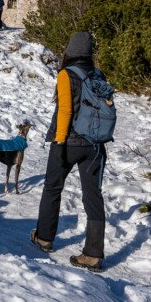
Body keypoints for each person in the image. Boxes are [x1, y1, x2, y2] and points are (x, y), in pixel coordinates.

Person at [30, 32, 107, 271]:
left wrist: (59, 142)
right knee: (92, 195)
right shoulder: (98, 75)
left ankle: (44, 237)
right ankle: (93, 254)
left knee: (53, 187)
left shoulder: (66, 74)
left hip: (69, 142)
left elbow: (65, 111)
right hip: (95, 144)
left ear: (70, 51)